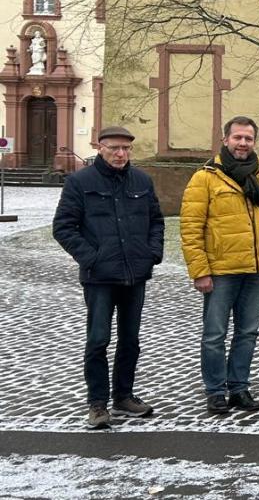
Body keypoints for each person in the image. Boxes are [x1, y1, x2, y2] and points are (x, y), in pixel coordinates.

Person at [53, 126, 164, 429]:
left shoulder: (141, 180)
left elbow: (156, 221)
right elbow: (63, 227)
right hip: (99, 278)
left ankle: (124, 396)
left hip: (134, 275)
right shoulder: (80, 181)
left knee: (130, 340)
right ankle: (98, 404)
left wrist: (151, 252)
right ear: (100, 147)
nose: (120, 154)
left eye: (126, 149)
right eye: (114, 148)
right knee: (98, 340)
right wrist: (92, 258)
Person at [180, 116, 259, 415]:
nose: (243, 143)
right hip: (221, 270)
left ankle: (239, 387)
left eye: (248, 139)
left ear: (254, 142)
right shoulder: (206, 177)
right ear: (225, 140)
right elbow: (191, 227)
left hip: (255, 268)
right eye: (237, 137)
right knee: (214, 334)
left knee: (248, 332)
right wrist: (200, 271)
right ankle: (215, 390)